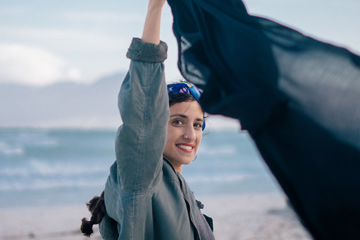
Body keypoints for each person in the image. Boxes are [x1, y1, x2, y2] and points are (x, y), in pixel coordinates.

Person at [80, 0, 215, 239]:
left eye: (197, 124)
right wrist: (155, 8)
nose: (190, 135)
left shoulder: (177, 188)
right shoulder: (144, 175)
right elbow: (142, 111)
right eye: (177, 122)